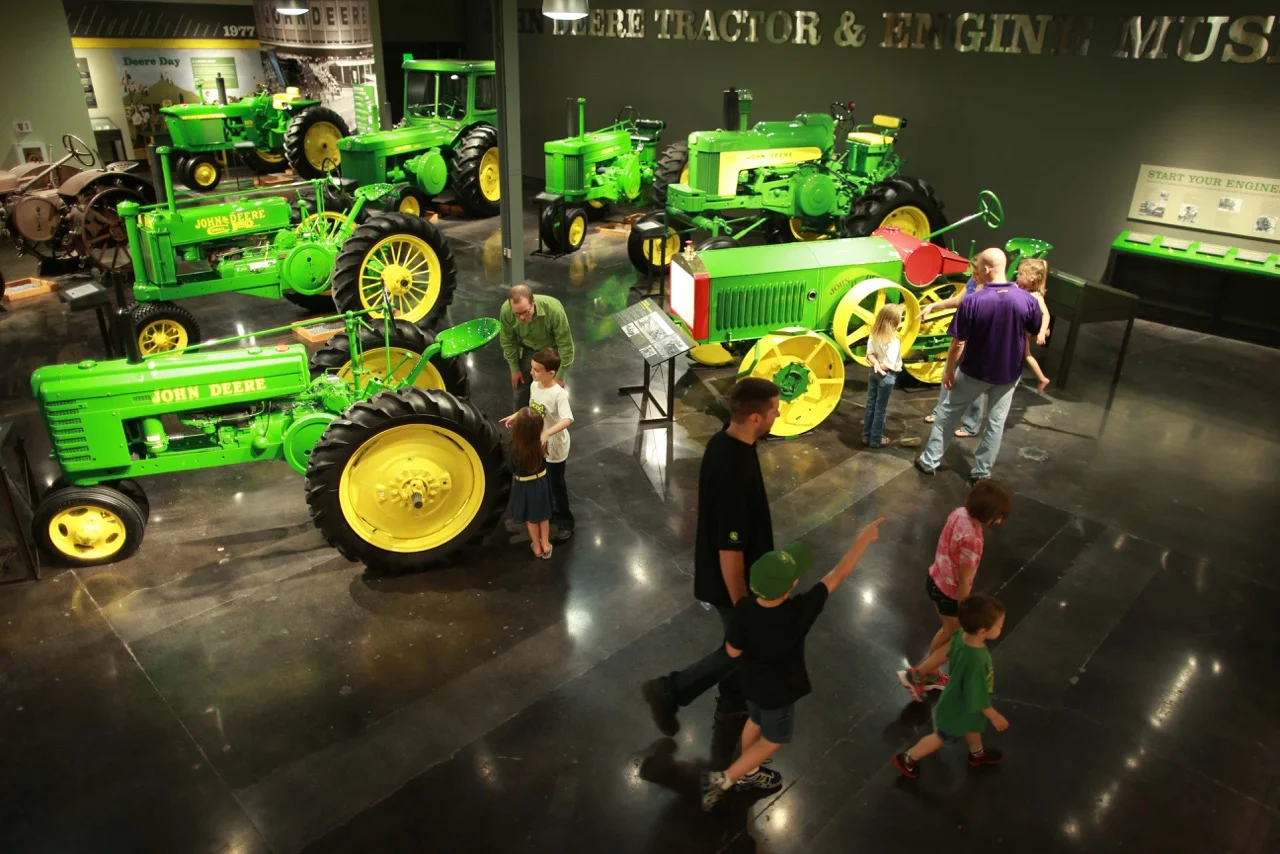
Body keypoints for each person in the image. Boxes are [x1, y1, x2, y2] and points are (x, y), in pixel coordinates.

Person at [701, 518, 884, 810]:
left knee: (755, 720)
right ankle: (727, 778)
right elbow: (838, 574)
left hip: (751, 685)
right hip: (779, 693)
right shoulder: (799, 611)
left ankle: (748, 770)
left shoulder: (744, 608)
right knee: (773, 739)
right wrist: (863, 539)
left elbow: (733, 652)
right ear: (791, 586)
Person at [642, 378, 781, 735]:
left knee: (738, 645)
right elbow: (730, 549)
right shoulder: (735, 470)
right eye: (774, 411)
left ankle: (732, 702)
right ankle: (670, 690)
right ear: (755, 417)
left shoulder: (725, 441)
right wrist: (742, 603)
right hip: (732, 580)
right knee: (741, 645)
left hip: (730, 574)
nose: (778, 416)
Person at [914, 248, 1042, 484]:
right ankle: (982, 473)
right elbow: (1033, 331)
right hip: (1008, 374)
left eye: (979, 268)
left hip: (974, 371)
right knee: (996, 424)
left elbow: (958, 342)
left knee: (947, 414)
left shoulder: (974, 301)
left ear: (986, 269)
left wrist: (949, 371)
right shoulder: (1027, 300)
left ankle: (929, 461)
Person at [897, 479, 1013, 700]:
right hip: (950, 594)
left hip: (935, 579)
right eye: (998, 516)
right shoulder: (973, 540)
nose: (999, 521)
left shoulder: (959, 513)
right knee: (958, 638)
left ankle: (930, 673)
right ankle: (918, 675)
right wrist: (964, 608)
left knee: (948, 631)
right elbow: (964, 579)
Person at [892, 594, 1009, 778]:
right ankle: (908, 758)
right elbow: (976, 695)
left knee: (973, 727)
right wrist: (994, 716)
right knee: (941, 737)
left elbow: (945, 653)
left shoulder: (961, 636)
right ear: (982, 631)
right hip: (960, 709)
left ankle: (977, 754)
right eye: (999, 626)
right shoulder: (976, 660)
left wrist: (923, 670)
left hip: (960, 702)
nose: (1001, 628)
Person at [499, 285, 575, 410]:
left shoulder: (554, 310)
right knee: (520, 394)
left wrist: (560, 375)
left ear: (533, 301)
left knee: (551, 396)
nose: (522, 318)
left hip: (551, 351)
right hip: (528, 348)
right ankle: (522, 421)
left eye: (526, 312)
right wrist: (514, 368)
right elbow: (507, 340)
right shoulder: (506, 311)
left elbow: (565, 345)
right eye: (517, 314)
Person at [528, 347, 575, 542]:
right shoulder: (534, 386)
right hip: (540, 444)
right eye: (532, 368)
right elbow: (533, 409)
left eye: (537, 370)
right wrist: (518, 416)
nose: (532, 373)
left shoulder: (558, 394)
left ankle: (566, 522)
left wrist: (547, 432)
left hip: (555, 447)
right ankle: (550, 512)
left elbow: (567, 419)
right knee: (544, 481)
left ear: (551, 373)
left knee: (556, 485)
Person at [501, 407, 554, 559]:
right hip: (541, 483)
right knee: (543, 516)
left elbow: (511, 468)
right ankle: (546, 544)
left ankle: (536, 547)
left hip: (523, 486)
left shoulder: (512, 447)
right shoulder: (542, 442)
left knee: (531, 519)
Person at [863, 304, 904, 449]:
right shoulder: (894, 341)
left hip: (874, 373)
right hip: (886, 375)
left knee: (871, 404)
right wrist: (879, 366)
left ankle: (866, 436)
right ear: (894, 321)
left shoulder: (873, 335)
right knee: (880, 408)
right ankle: (876, 439)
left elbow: (869, 355)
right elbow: (888, 364)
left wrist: (874, 364)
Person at [1015, 258, 1052, 394]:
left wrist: (1041, 332)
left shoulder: (1036, 296)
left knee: (1026, 355)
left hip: (1024, 330)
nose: (1017, 276)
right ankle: (1041, 378)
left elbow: (1046, 315)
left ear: (1031, 278)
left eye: (1021, 274)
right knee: (1025, 354)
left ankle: (1042, 378)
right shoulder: (1018, 289)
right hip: (1021, 328)